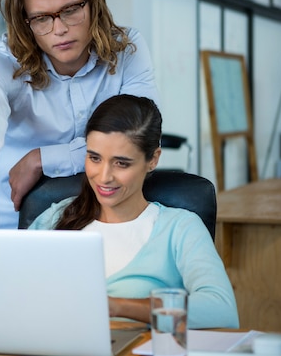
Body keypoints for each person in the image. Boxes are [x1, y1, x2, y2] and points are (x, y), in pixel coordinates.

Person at [0, 0, 159, 229]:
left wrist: (42, 159)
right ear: (26, 22)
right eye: (41, 18)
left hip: (104, 218)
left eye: (70, 10)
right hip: (9, 218)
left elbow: (139, 135)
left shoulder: (126, 48)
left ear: (92, 4)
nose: (59, 29)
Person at [28, 94, 239, 329]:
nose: (104, 176)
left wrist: (117, 306)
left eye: (122, 163)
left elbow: (221, 310)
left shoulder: (180, 228)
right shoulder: (55, 217)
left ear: (153, 160)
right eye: (94, 158)